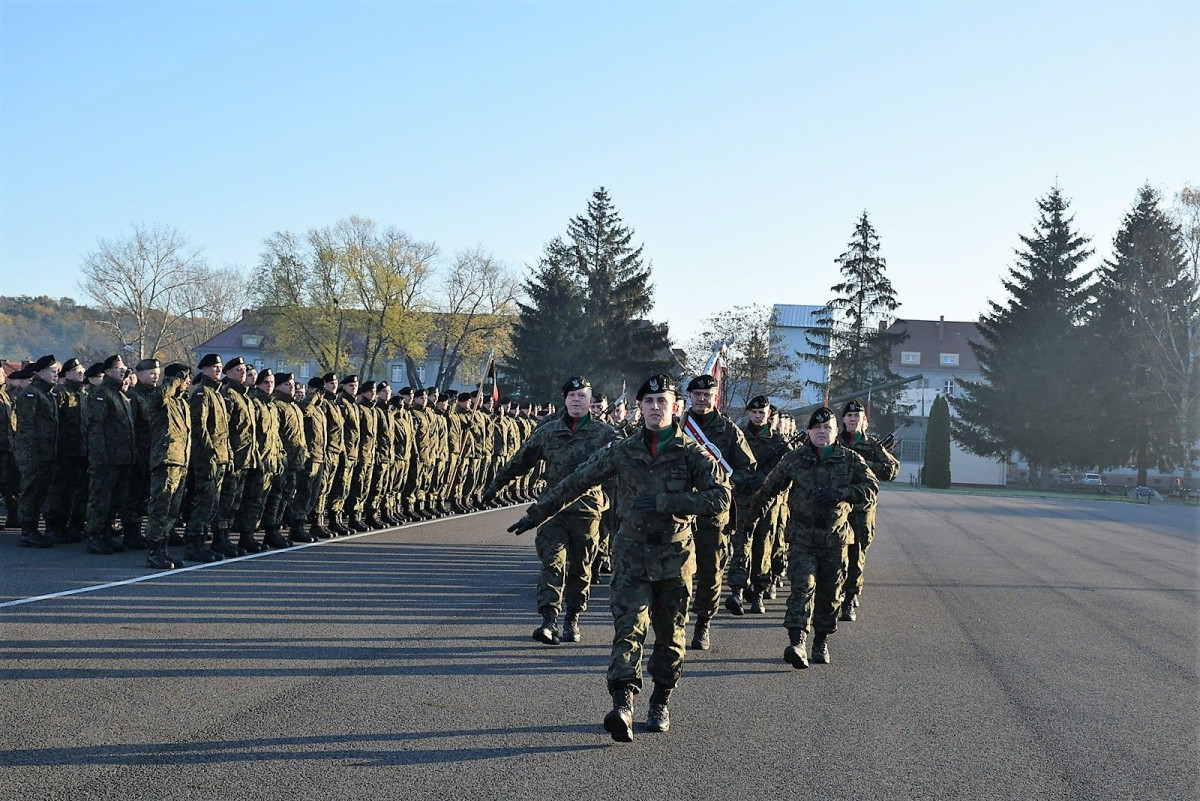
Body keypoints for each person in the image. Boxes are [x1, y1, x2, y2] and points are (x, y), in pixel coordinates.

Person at [507, 375, 729, 742]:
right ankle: (622, 702)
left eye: (662, 400)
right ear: (640, 408)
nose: (655, 407)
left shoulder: (693, 454)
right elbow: (576, 482)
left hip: (674, 560)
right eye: (648, 401)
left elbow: (720, 499)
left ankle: (660, 700)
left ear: (676, 407)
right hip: (630, 557)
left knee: (671, 638)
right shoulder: (622, 450)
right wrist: (536, 514)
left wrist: (667, 503)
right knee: (628, 631)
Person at [486, 376, 617, 645]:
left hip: (587, 511)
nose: (576, 400)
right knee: (552, 563)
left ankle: (573, 618)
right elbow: (521, 460)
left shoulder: (605, 433)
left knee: (582, 568)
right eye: (572, 396)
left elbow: (624, 464)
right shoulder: (549, 431)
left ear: (590, 401)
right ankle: (549, 620)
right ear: (565, 400)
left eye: (582, 396)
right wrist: (496, 485)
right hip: (552, 510)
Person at [748, 407, 878, 669]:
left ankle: (820, 642)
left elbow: (871, 489)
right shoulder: (795, 459)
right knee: (802, 589)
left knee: (830, 595)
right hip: (802, 539)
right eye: (816, 429)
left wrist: (841, 493)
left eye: (827, 428)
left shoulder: (850, 460)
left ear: (836, 432)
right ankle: (797, 642)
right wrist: (748, 521)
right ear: (808, 432)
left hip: (835, 540)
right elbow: (769, 489)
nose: (821, 433)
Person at [678, 374, 756, 650]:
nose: (702, 399)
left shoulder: (729, 430)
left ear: (715, 398)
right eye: (697, 395)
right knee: (677, 572)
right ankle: (676, 625)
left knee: (711, 572)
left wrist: (725, 483)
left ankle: (703, 624)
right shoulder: (676, 427)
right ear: (690, 397)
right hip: (679, 512)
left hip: (713, 515)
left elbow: (747, 469)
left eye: (707, 395)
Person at [726, 395, 791, 615]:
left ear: (769, 414)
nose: (757, 416)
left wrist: (766, 477)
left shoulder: (780, 442)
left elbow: (788, 473)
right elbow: (729, 465)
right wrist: (743, 479)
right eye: (753, 412)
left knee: (763, 546)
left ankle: (758, 591)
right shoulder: (739, 437)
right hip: (743, 500)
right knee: (741, 543)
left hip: (767, 502)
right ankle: (736, 589)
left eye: (761, 412)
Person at [837, 399, 900, 620]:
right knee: (835, 556)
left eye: (858, 417)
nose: (853, 420)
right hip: (837, 508)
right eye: (850, 416)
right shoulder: (834, 443)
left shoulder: (873, 446)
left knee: (856, 555)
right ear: (843, 419)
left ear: (865, 420)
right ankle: (835, 596)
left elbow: (892, 469)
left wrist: (865, 464)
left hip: (862, 510)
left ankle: (849, 599)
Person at [84, 354, 137, 554]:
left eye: (123, 367)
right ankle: (95, 536)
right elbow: (95, 428)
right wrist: (100, 458)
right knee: (101, 498)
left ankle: (106, 534)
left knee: (115, 499)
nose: (122, 370)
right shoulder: (101, 394)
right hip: (106, 458)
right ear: (106, 371)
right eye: (117, 367)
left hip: (122, 457)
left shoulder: (121, 395)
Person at [143, 363, 192, 569]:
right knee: (160, 506)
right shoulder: (161, 399)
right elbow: (159, 397)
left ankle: (163, 549)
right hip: (165, 459)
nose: (188, 382)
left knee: (172, 509)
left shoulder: (182, 403)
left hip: (180, 460)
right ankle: (154, 551)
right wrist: (174, 379)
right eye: (185, 379)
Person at [185, 353, 229, 563]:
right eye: (213, 366)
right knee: (204, 501)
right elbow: (200, 428)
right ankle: (194, 544)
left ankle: (202, 541)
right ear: (204, 369)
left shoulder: (217, 394)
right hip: (207, 458)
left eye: (219, 366)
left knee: (213, 503)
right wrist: (209, 454)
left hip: (220, 457)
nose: (218, 369)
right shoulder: (202, 393)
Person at [13, 355, 59, 548]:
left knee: (41, 491)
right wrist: (31, 454)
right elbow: (27, 427)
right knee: (31, 490)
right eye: (52, 372)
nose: (56, 375)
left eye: (57, 372)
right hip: (34, 453)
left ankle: (33, 528)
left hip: (46, 452)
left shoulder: (48, 394)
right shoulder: (31, 394)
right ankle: (27, 530)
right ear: (40, 373)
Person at [45, 358, 89, 543]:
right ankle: (52, 527)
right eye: (77, 371)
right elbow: (54, 423)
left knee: (72, 491)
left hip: (79, 450)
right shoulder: (60, 393)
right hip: (63, 450)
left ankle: (66, 526)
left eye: (82, 371)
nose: (81, 373)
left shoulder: (83, 395)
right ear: (68, 373)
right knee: (58, 490)